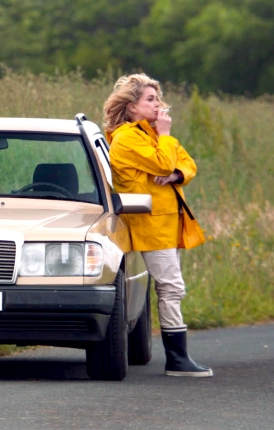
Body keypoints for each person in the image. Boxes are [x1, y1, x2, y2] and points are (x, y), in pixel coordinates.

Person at [103, 73, 212, 377]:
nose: (158, 105)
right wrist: (165, 140)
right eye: (150, 99)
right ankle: (177, 360)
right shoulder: (128, 138)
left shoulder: (153, 136)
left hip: (168, 223)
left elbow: (186, 163)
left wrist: (177, 174)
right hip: (150, 225)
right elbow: (165, 161)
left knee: (170, 287)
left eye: (158, 99)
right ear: (132, 106)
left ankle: (178, 357)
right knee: (171, 287)